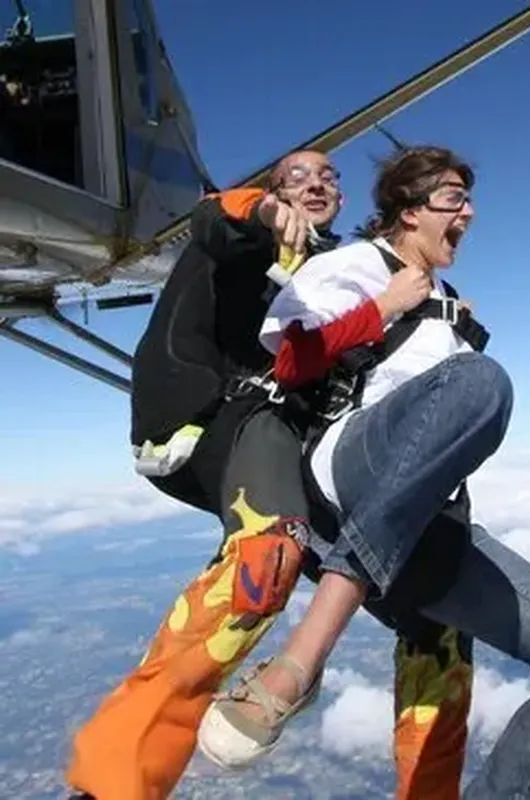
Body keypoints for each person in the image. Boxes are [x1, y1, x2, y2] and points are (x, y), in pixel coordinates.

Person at [201, 145, 530, 799]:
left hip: (424, 526)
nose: (469, 213)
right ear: (409, 213)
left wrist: (434, 311)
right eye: (454, 199)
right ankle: (301, 659)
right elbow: (291, 362)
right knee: (477, 383)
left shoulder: (447, 300)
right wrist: (385, 304)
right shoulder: (358, 263)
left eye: (468, 199)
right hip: (349, 472)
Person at [65, 149, 475, 800]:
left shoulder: (338, 267)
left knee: (439, 614)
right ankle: (112, 786)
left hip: (284, 435)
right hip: (215, 411)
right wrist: (261, 206)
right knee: (266, 554)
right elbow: (213, 216)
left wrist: (426, 319)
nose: (315, 184)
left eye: (329, 177)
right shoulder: (250, 224)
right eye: (296, 176)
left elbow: (337, 359)